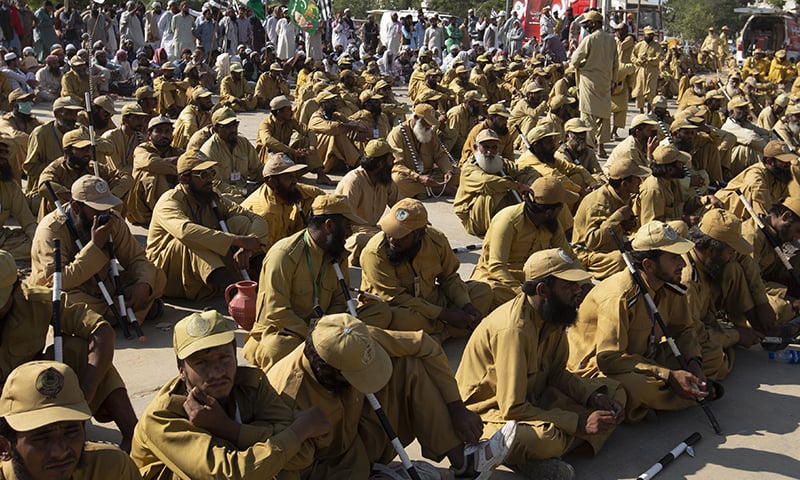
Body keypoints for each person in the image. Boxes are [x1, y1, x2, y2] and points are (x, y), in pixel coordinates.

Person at [267, 313, 517, 479]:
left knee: (409, 367)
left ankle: (464, 463)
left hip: (361, 431)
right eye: (356, 376)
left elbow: (425, 346)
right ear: (326, 370)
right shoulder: (288, 395)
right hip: (332, 466)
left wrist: (456, 408)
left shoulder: (356, 339)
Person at [458, 249, 626, 478]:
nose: (578, 291)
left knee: (614, 393)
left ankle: (530, 459)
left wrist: (593, 397)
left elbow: (557, 373)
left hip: (534, 396)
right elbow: (513, 408)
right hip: (489, 413)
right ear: (543, 290)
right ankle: (529, 454)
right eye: (569, 285)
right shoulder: (512, 331)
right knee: (548, 439)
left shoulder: (553, 315)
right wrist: (578, 423)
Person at [130, 310, 330, 478]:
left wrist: (228, 429)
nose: (217, 372)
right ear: (181, 369)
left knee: (281, 466)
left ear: (235, 354)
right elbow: (229, 474)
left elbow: (303, 455)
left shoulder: (253, 385)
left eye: (224, 358)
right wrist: (299, 430)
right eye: (202, 363)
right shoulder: (162, 416)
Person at [568, 221, 714, 422]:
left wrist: (693, 363)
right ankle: (683, 394)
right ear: (648, 265)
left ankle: (677, 392)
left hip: (644, 356)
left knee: (706, 351)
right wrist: (668, 375)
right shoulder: (619, 295)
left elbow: (684, 330)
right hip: (601, 368)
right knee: (639, 387)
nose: (682, 263)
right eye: (673, 258)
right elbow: (609, 359)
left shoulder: (669, 285)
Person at [0, 249, 138, 450]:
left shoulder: (40, 302)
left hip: (34, 397)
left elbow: (102, 332)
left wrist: (86, 391)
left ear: (15, 289)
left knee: (77, 349)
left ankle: (132, 434)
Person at [242, 194, 390, 371]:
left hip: (325, 327)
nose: (350, 233)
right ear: (329, 226)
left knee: (379, 311)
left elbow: (339, 302)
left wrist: (332, 330)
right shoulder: (284, 255)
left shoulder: (337, 253)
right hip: (289, 331)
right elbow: (277, 313)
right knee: (276, 348)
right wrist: (316, 336)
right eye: (347, 227)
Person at [30, 175, 166, 324]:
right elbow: (57, 281)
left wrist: (144, 284)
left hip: (103, 285)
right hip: (71, 289)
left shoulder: (111, 220)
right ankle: (116, 312)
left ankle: (111, 314)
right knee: (58, 301)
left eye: (107, 208)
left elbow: (135, 258)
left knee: (156, 276)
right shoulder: (51, 230)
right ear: (76, 208)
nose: (104, 215)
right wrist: (95, 247)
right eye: (97, 210)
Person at [360, 198, 492, 339]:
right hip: (400, 307)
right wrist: (445, 315)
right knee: (402, 320)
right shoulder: (375, 253)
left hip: (431, 301)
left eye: (400, 235)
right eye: (390, 231)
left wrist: (466, 305)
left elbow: (449, 278)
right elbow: (396, 298)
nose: (392, 239)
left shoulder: (437, 240)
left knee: (482, 291)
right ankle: (448, 330)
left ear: (419, 235)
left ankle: (438, 333)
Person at [146, 150, 268, 301]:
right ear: (184, 178)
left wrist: (248, 246)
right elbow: (185, 232)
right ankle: (237, 297)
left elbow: (256, 218)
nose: (210, 179)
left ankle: (269, 279)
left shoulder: (211, 195)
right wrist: (235, 240)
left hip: (206, 266)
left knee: (240, 222)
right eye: (203, 175)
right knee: (193, 240)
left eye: (211, 172)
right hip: (169, 272)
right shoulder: (170, 201)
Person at [0, 361, 142, 479]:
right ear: (4, 447)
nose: (60, 451)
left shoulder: (113, 469)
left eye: (71, 431)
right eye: (41, 438)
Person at [683, 210, 769, 381]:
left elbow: (744, 261)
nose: (731, 257)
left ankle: (739, 333)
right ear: (711, 250)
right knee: (714, 361)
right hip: (688, 336)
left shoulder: (707, 260)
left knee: (733, 269)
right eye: (730, 252)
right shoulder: (687, 279)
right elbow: (693, 336)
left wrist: (761, 305)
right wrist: (736, 336)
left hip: (706, 318)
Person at [572, 156, 650, 280]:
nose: (640, 182)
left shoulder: (623, 195)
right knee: (623, 260)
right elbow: (592, 241)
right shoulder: (599, 203)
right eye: (637, 179)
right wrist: (618, 217)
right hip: (588, 254)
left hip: (612, 246)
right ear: (624, 184)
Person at [36, 129, 132, 221]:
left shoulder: (94, 166)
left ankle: (110, 225)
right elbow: (43, 185)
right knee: (51, 193)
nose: (87, 152)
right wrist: (72, 197)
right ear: (67, 151)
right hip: (65, 218)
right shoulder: (57, 168)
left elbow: (126, 178)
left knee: (117, 184)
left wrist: (110, 195)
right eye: (82, 149)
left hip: (91, 216)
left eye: (88, 148)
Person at [335, 139, 400, 266]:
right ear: (381, 164)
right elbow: (344, 222)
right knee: (361, 241)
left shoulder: (385, 181)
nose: (394, 161)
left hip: (374, 231)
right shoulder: (353, 181)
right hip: (352, 235)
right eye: (390, 158)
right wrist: (376, 234)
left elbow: (400, 205)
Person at [241, 153, 324, 251]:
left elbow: (318, 194)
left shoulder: (285, 188)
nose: (295, 181)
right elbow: (270, 252)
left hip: (283, 236)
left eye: (294, 175)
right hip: (266, 251)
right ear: (271, 181)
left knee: (312, 201)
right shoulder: (268, 213)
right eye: (289, 177)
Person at [454, 129, 529, 238]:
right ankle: (501, 228)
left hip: (495, 208)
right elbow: (486, 182)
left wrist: (531, 184)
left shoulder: (499, 161)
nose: (490, 151)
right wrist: (516, 185)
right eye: (486, 147)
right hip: (473, 219)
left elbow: (524, 170)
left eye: (494, 147)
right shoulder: (469, 167)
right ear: (476, 148)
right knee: (493, 192)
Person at [742, 197, 800, 326]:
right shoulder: (753, 235)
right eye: (797, 231)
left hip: (770, 283)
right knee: (780, 309)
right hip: (751, 291)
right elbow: (750, 282)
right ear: (786, 216)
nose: (797, 237)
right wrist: (788, 297)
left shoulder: (777, 234)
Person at [570, 10, 617, 158]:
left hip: (589, 81)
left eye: (588, 23)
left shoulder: (590, 39)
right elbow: (616, 64)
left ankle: (590, 147)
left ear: (594, 23)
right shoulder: (611, 40)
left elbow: (574, 60)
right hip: (605, 82)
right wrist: (614, 81)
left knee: (588, 115)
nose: (587, 26)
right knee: (604, 116)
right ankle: (601, 147)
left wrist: (585, 64)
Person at [23, 97, 83, 206]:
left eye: (76, 113)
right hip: (49, 187)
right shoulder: (41, 134)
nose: (73, 118)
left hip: (77, 186)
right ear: (56, 114)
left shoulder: (81, 131)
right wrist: (58, 170)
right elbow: (30, 168)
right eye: (68, 113)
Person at [388, 103, 455, 199]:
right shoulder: (398, 133)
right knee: (397, 179)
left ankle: (423, 191)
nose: (429, 126)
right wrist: (417, 177)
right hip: (409, 175)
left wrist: (448, 172)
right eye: (426, 122)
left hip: (429, 175)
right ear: (415, 117)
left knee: (457, 172)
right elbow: (396, 165)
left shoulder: (429, 131)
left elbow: (440, 155)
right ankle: (438, 189)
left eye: (430, 123)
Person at [257, 95, 328, 185]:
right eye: (288, 110)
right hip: (269, 155)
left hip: (285, 153)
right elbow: (268, 141)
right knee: (270, 149)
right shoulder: (266, 123)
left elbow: (309, 131)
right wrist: (292, 151)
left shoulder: (290, 121)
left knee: (305, 141)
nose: (292, 112)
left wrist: (312, 146)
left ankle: (321, 175)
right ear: (279, 112)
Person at [716, 140, 796, 220]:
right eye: (784, 161)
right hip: (724, 211)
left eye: (789, 160)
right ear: (770, 162)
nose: (788, 164)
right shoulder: (756, 172)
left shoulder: (781, 175)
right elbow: (758, 190)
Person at [127, 115, 184, 226]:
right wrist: (177, 168)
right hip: (142, 211)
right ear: (149, 135)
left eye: (167, 131)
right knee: (152, 175)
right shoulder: (141, 149)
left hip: (172, 204)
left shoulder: (177, 152)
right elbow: (151, 163)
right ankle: (164, 216)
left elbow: (191, 162)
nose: (164, 135)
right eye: (158, 131)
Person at [199, 107, 262, 204]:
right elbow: (213, 183)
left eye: (235, 125)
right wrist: (242, 191)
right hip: (224, 194)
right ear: (216, 129)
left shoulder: (243, 143)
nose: (233, 130)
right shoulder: (209, 150)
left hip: (245, 189)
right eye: (227, 127)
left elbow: (257, 168)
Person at [308, 90, 367, 175]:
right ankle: (356, 162)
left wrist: (359, 128)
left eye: (334, 101)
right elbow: (332, 127)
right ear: (322, 104)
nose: (335, 104)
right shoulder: (315, 118)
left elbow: (351, 123)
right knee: (336, 135)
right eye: (331, 102)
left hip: (332, 150)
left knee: (353, 130)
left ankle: (361, 157)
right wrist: (353, 126)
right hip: (319, 155)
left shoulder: (335, 115)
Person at [0, 137, 35, 260]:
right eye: (0, 152)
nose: (4, 157)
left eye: (6, 153)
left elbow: (28, 221)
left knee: (42, 241)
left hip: (3, 239)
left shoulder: (10, 186)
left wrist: (38, 240)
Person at [721, 95, 770, 177]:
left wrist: (768, 138)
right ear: (732, 113)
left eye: (745, 108)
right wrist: (771, 148)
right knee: (747, 148)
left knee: (761, 140)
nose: (745, 111)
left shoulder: (744, 123)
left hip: (741, 161)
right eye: (740, 109)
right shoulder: (729, 126)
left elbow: (765, 132)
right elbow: (751, 138)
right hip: (729, 164)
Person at [101, 103, 149, 176]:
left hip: (133, 174)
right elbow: (117, 169)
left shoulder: (140, 137)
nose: (141, 122)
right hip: (114, 178)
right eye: (137, 118)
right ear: (125, 119)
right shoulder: (110, 137)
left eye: (142, 119)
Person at [631, 26, 663, 113]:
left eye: (652, 34)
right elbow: (633, 57)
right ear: (644, 34)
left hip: (651, 72)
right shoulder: (639, 45)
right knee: (640, 91)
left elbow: (658, 58)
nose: (650, 36)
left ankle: (650, 111)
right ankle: (641, 111)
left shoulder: (657, 46)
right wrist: (638, 60)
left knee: (650, 92)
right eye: (648, 34)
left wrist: (648, 59)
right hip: (640, 72)